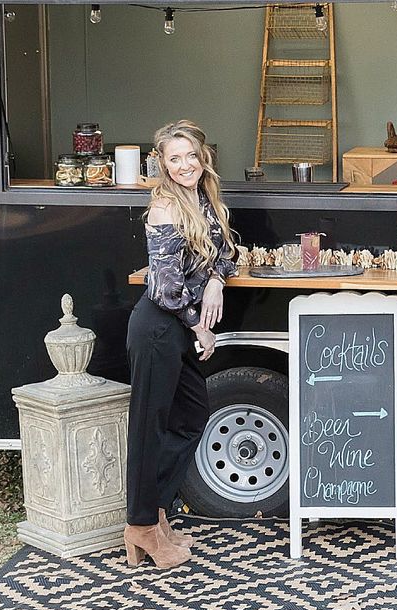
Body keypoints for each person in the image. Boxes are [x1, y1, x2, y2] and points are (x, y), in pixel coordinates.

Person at [124, 120, 239, 568]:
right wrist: (201, 327)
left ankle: (154, 512)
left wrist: (215, 282)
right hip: (157, 327)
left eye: (191, 155)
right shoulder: (165, 207)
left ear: (203, 155)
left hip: (175, 327)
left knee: (192, 416)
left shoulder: (204, 197)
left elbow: (227, 253)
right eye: (175, 158)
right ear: (162, 163)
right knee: (148, 426)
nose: (185, 164)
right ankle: (141, 526)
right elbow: (167, 289)